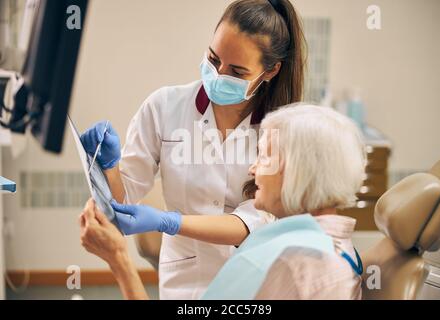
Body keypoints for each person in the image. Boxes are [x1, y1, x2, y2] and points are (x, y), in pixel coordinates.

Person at [80, 0, 306, 299]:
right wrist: (107, 166)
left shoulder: (282, 130)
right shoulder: (164, 107)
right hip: (184, 279)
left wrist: (170, 222)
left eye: (236, 72)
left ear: (270, 71)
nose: (218, 74)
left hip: (254, 280)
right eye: (213, 59)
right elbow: (122, 202)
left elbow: (253, 221)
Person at [80, 104, 366, 300]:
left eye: (265, 156)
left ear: (299, 172)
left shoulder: (294, 264)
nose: (253, 169)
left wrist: (118, 260)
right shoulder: (339, 249)